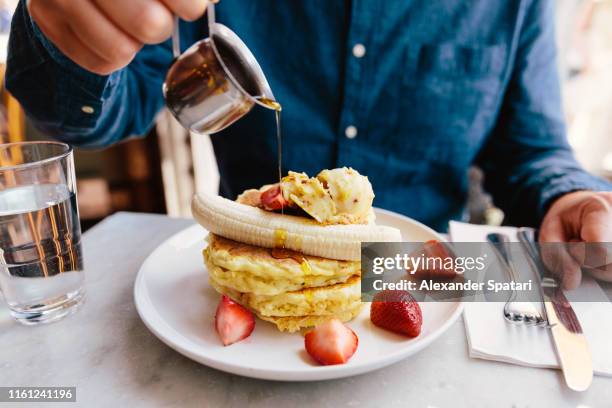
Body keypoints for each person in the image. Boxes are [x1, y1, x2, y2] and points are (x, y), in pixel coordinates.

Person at [5, 0, 612, 289]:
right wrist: (71, 44)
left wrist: (572, 196)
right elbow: (108, 112)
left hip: (428, 284)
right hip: (247, 274)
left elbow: (531, 152)